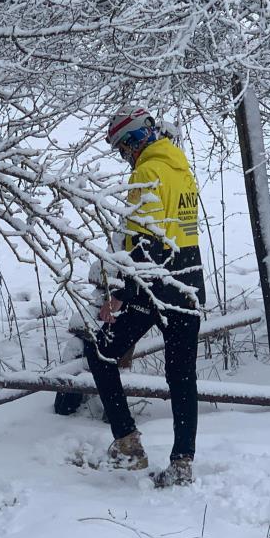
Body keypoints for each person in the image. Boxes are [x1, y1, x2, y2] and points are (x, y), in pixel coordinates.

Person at [89, 106, 206, 487]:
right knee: (182, 374)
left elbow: (139, 241)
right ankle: (182, 462)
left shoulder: (146, 173)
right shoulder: (181, 168)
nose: (125, 156)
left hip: (154, 282)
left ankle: (127, 444)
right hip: (189, 279)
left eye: (124, 148)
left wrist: (120, 291)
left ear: (135, 140)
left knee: (101, 353)